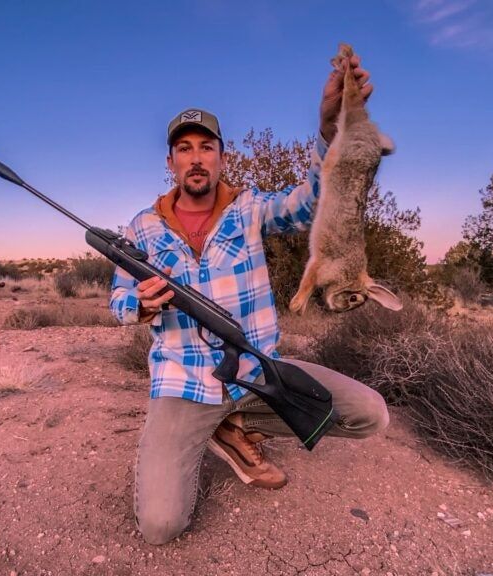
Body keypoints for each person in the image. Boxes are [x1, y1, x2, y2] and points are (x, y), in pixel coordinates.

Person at [108, 49, 390, 546]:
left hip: (258, 373)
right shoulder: (141, 229)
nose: (196, 158)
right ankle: (213, 428)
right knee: (160, 526)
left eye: (206, 147)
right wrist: (140, 307)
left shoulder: (250, 209)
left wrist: (332, 132)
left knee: (370, 413)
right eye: (185, 149)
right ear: (170, 162)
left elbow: (310, 207)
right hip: (183, 385)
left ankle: (233, 423)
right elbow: (118, 298)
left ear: (222, 156)